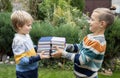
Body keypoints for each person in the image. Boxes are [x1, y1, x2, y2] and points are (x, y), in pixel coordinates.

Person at [52, 8, 115, 78]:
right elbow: (79, 47)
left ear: (102, 24)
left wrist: (63, 53)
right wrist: (65, 46)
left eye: (92, 20)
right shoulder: (90, 37)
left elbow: (81, 60)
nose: (89, 22)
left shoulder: (97, 43)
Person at [11, 10, 50, 78]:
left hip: (33, 69)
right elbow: (22, 60)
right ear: (19, 26)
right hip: (24, 73)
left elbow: (30, 48)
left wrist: (38, 48)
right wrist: (38, 57)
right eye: (28, 25)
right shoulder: (18, 41)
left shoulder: (26, 35)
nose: (31, 27)